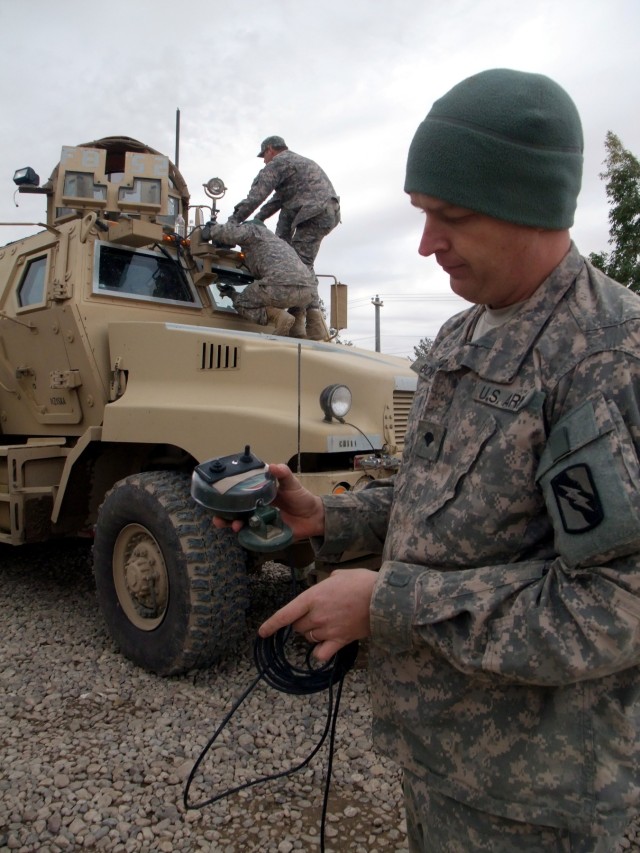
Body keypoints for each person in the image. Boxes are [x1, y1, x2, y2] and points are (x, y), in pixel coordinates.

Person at [215, 69, 640, 851]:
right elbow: (433, 498)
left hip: (537, 800)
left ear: (531, 205)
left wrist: (387, 605)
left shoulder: (609, 357)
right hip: (439, 760)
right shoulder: (460, 337)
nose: (425, 243)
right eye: (421, 214)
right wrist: (327, 519)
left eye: (452, 217)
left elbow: (614, 605)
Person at [227, 135, 340, 339]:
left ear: (270, 149)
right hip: (327, 210)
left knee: (299, 263)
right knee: (299, 262)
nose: (264, 160)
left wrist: (232, 223)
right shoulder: (298, 165)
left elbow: (256, 196)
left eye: (264, 155)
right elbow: (275, 202)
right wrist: (258, 220)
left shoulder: (279, 162)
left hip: (312, 211)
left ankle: (309, 324)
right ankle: (304, 324)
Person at [204, 220, 320, 337]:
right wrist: (231, 293)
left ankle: (278, 317)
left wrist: (211, 229)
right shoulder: (279, 243)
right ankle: (298, 331)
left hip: (280, 285)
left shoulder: (253, 231)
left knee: (241, 302)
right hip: (309, 290)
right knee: (296, 301)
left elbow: (230, 232)